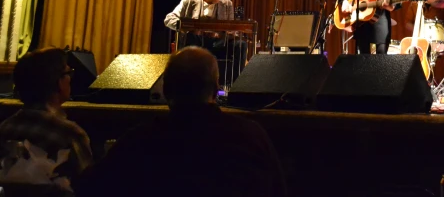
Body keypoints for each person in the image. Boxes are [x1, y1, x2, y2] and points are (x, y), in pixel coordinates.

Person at [73, 47, 286, 197]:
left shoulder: (140, 140)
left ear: (165, 89)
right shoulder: (251, 136)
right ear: (216, 88)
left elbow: (91, 187)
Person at [0, 47, 92, 191]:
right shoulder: (69, 134)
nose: (70, 79)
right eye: (69, 73)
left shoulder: (5, 127)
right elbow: (90, 186)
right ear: (58, 82)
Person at [164, 0, 245, 84]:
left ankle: (236, 85)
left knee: (240, 45)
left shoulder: (227, 3)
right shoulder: (189, 1)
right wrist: (186, 27)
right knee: (190, 38)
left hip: (219, 42)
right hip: (195, 41)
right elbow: (169, 19)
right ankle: (187, 84)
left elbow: (230, 27)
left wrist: (231, 33)